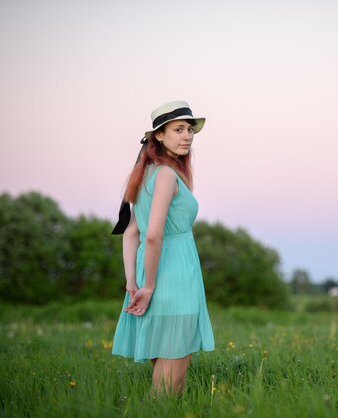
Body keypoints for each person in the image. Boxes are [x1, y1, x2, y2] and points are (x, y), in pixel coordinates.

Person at [111, 100, 215, 396]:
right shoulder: (167, 175)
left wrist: (133, 281)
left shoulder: (145, 173)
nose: (187, 136)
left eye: (190, 130)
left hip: (151, 273)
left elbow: (132, 233)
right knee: (169, 386)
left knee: (170, 378)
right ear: (158, 135)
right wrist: (150, 285)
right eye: (178, 129)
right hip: (172, 275)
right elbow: (152, 234)